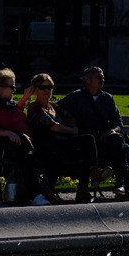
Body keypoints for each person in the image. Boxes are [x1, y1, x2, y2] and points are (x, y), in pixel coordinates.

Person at [0, 68, 52, 205]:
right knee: (29, 158)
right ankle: (36, 194)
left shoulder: (8, 104)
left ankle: (44, 191)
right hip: (6, 148)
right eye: (11, 87)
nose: (13, 90)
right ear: (0, 88)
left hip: (20, 143)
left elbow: (15, 114)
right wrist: (8, 133)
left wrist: (25, 97)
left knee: (47, 150)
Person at [25, 72, 102, 203]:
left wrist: (73, 126)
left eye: (50, 87)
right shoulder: (34, 108)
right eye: (42, 87)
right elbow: (53, 126)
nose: (46, 91)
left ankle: (85, 185)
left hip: (60, 145)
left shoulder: (54, 106)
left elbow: (70, 117)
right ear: (34, 90)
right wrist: (72, 130)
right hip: (46, 148)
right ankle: (92, 176)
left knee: (88, 140)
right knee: (83, 145)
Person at [57, 66, 129, 200]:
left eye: (102, 77)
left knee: (120, 143)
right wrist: (71, 120)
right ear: (87, 80)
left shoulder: (108, 99)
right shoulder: (76, 97)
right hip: (87, 142)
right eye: (98, 77)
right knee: (124, 148)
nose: (102, 80)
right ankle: (122, 188)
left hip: (107, 140)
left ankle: (121, 186)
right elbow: (56, 107)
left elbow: (118, 123)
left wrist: (111, 131)